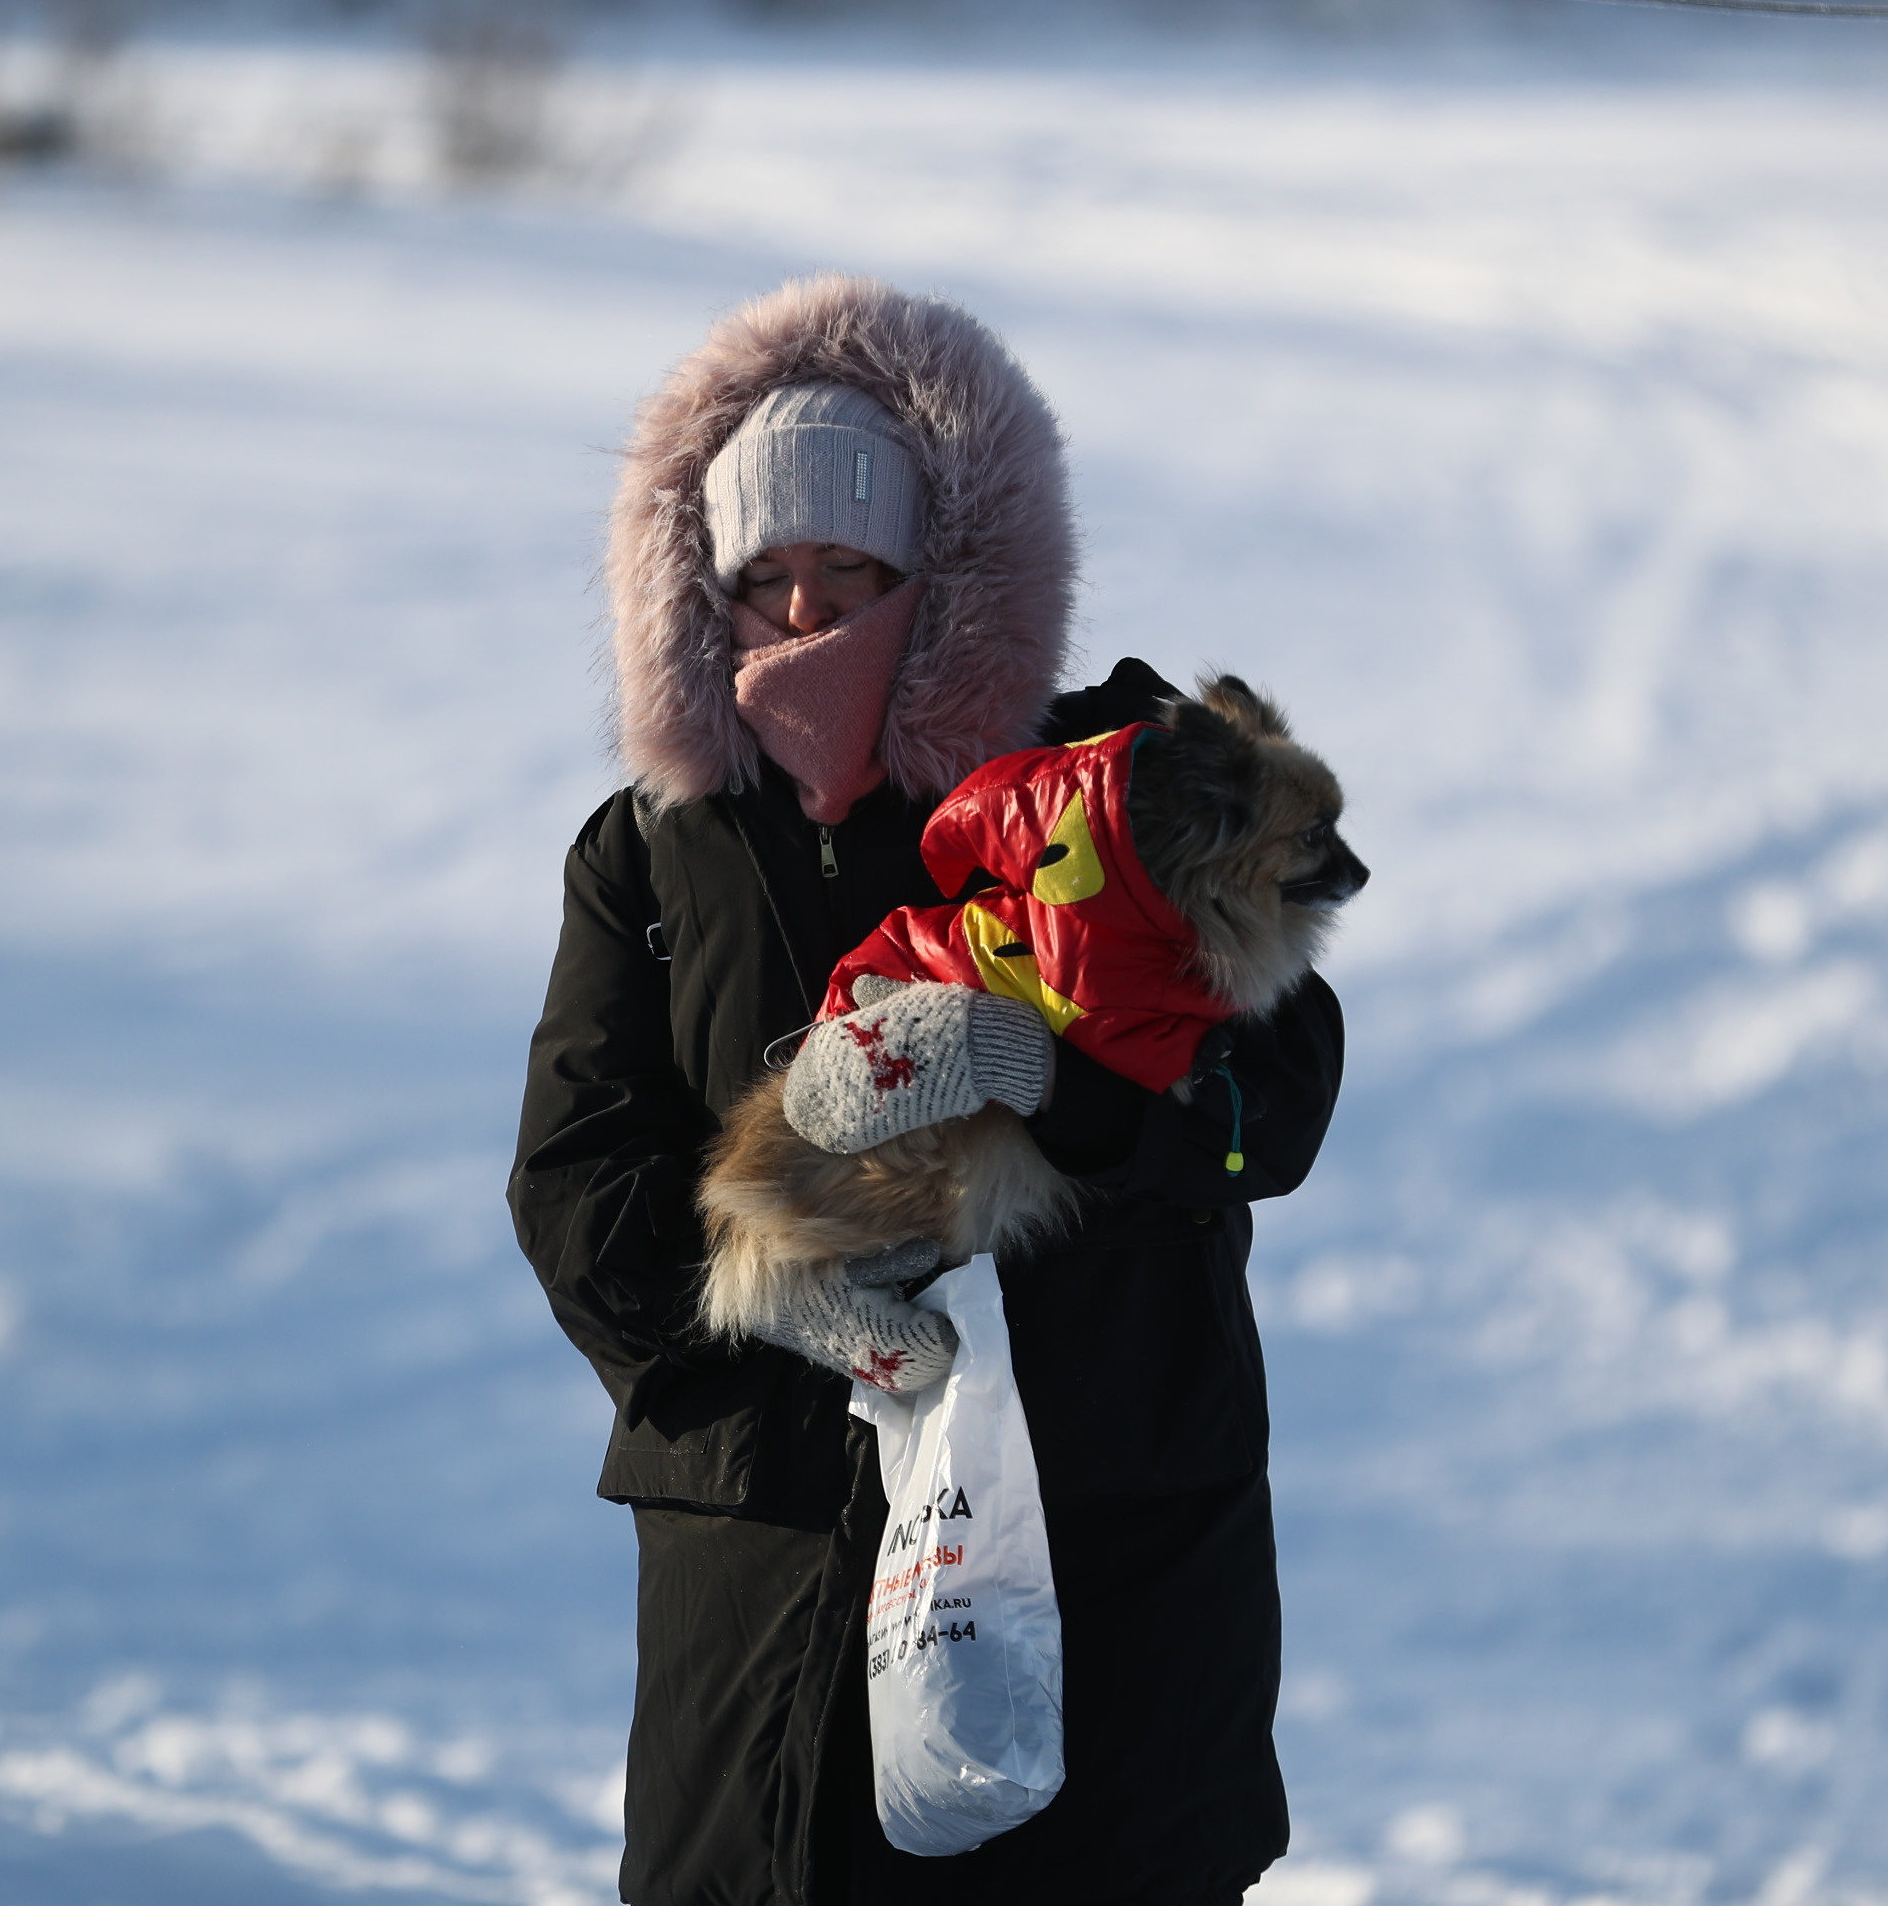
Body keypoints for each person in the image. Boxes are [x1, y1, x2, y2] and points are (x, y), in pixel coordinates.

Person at [507, 274, 1345, 1906]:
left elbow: (1279, 1100)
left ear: (948, 574)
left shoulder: (1126, 781)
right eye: (769, 576)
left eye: (855, 571)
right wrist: (768, 1291)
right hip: (761, 1637)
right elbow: (576, 1189)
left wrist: (1071, 1087)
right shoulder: (652, 856)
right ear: (701, 591)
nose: (808, 616)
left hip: (1104, 1588)